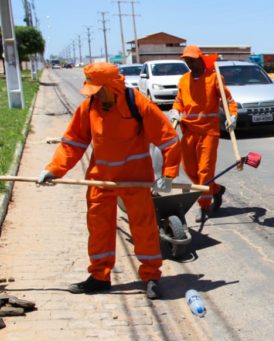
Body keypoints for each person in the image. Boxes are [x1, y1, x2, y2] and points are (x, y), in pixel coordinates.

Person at [38, 63, 181, 299]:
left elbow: (168, 140)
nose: (94, 94)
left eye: (98, 89)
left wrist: (168, 174)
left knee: (143, 230)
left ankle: (151, 276)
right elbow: (73, 142)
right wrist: (54, 169)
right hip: (101, 178)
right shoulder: (90, 107)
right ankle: (99, 277)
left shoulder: (138, 104)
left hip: (135, 179)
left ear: (112, 86)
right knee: (99, 229)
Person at [169, 45, 238, 223]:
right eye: (187, 61)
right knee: (190, 170)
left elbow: (227, 100)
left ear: (200, 59)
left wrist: (232, 116)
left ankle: (204, 206)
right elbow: (179, 101)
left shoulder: (214, 78)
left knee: (205, 172)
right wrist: (175, 111)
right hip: (189, 131)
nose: (189, 64)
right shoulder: (184, 80)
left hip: (209, 132)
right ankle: (215, 189)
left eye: (192, 60)